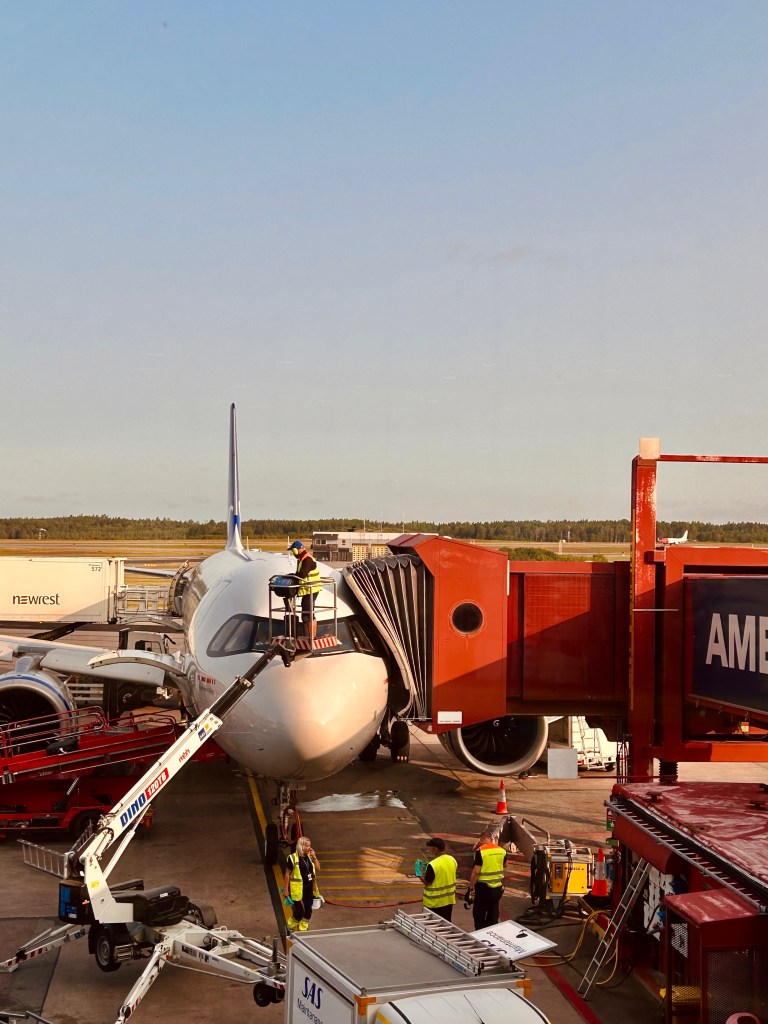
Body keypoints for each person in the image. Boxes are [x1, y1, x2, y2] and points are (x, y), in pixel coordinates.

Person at [468, 831, 507, 930]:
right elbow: (505, 865)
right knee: (493, 910)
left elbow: (476, 871)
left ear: (481, 839)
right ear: (491, 839)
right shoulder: (502, 851)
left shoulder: (481, 851)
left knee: (479, 913)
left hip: (483, 887)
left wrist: (471, 887)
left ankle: (479, 933)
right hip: (497, 887)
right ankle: (492, 932)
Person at [282, 836, 321, 932]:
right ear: (301, 846)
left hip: (309, 888)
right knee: (300, 911)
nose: (310, 848)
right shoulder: (292, 858)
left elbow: (318, 868)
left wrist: (314, 857)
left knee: (308, 911)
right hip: (297, 889)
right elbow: (287, 874)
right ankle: (289, 927)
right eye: (307, 846)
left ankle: (302, 930)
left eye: (310, 845)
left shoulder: (310, 856)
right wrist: (286, 889)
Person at [287, 540, 322, 640]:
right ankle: (312, 637)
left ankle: (311, 638)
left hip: (311, 589)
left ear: (297, 550)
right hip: (309, 590)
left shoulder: (307, 559)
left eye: (293, 551)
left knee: (307, 615)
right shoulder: (303, 559)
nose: (293, 554)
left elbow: (302, 574)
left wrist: (292, 576)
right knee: (310, 614)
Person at [419, 836, 458, 921]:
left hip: (434, 903)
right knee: (446, 924)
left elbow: (427, 882)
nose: (429, 850)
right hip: (448, 901)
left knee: (431, 926)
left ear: (435, 849)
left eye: (430, 848)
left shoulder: (433, 864)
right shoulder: (452, 859)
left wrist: (419, 874)